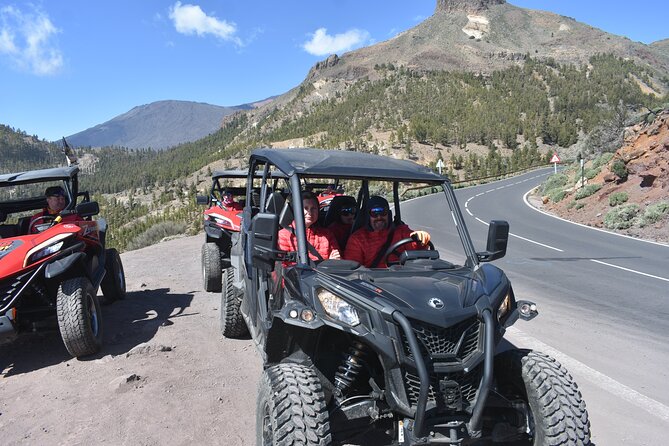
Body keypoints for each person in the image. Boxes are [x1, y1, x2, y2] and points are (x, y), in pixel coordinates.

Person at [344, 195, 430, 268]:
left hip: (401, 278)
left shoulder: (400, 231)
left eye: (383, 212)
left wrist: (420, 238)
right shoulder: (357, 239)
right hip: (371, 282)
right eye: (374, 213)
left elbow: (414, 242)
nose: (379, 217)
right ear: (368, 216)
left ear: (388, 214)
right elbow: (352, 270)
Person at [278, 191, 341, 262]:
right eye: (305, 208)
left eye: (313, 208)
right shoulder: (284, 235)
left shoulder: (327, 234)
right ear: (296, 210)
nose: (310, 212)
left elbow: (337, 260)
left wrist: (333, 262)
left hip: (325, 273)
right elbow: (284, 266)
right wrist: (328, 262)